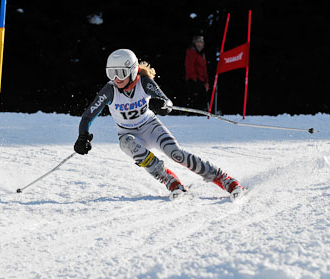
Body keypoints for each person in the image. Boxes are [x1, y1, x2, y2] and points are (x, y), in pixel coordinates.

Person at [74, 49, 243, 200]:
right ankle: (170, 180)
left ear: (132, 71)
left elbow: (166, 101)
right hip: (129, 134)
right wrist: (83, 136)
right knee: (127, 143)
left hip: (150, 126)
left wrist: (161, 106)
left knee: (177, 154)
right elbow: (88, 115)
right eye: (111, 73)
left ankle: (224, 179)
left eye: (121, 72)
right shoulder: (110, 90)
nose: (116, 78)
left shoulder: (144, 82)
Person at [185, 35, 210, 108]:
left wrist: (206, 81)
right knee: (195, 99)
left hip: (201, 81)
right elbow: (189, 66)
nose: (200, 44)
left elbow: (204, 69)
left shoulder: (202, 54)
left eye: (201, 42)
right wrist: (195, 79)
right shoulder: (191, 52)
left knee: (203, 99)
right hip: (193, 80)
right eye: (198, 42)